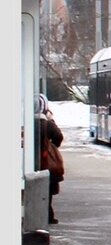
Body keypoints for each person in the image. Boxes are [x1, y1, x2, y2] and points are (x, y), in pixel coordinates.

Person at [34, 94, 65, 224]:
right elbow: (58, 136)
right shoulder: (47, 123)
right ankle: (47, 215)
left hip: (29, 161)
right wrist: (52, 146)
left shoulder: (26, 122)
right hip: (45, 162)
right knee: (47, 190)